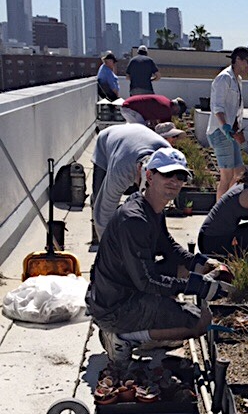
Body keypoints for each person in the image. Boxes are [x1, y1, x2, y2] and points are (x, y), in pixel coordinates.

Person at [86, 148, 231, 365]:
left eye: (180, 176)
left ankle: (151, 331)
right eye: (167, 174)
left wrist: (200, 262)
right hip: (114, 306)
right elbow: (147, 281)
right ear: (150, 175)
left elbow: (169, 247)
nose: (174, 181)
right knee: (201, 322)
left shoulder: (150, 206)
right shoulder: (134, 220)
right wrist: (195, 287)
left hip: (120, 290)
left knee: (182, 269)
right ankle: (123, 337)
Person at [91, 123, 173, 239]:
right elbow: (104, 212)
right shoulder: (120, 170)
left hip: (138, 138)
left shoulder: (169, 158)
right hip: (108, 142)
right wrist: (107, 249)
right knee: (100, 200)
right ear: (140, 169)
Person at [207, 46, 248, 200]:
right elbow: (217, 106)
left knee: (239, 173)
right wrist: (225, 126)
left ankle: (226, 205)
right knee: (226, 175)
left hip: (230, 133)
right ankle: (218, 214)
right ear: (237, 60)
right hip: (220, 132)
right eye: (247, 61)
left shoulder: (237, 80)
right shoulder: (224, 78)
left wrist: (236, 130)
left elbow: (235, 109)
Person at [120, 93, 187, 128]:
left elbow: (152, 113)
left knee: (139, 127)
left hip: (129, 106)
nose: (175, 115)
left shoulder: (164, 100)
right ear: (176, 108)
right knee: (140, 129)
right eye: (177, 113)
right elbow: (166, 127)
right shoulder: (166, 109)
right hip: (130, 109)